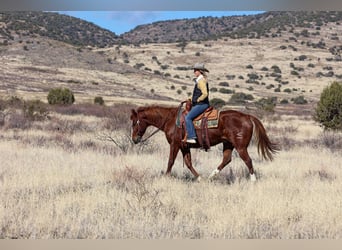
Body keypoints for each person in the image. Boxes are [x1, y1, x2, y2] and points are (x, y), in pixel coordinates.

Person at [184, 63, 210, 144]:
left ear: (200, 71)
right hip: (200, 104)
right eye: (194, 70)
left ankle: (192, 136)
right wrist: (190, 99)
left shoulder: (201, 81)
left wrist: (198, 100)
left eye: (196, 70)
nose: (194, 72)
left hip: (202, 104)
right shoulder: (200, 80)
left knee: (188, 117)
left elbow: (205, 94)